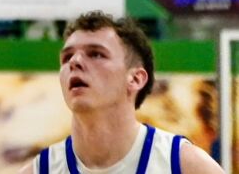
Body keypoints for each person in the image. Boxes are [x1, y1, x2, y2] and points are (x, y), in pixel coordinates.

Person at [26, 12, 220, 172]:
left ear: (135, 79)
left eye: (96, 54)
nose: (74, 62)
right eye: (67, 57)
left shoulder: (184, 164)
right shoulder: (41, 169)